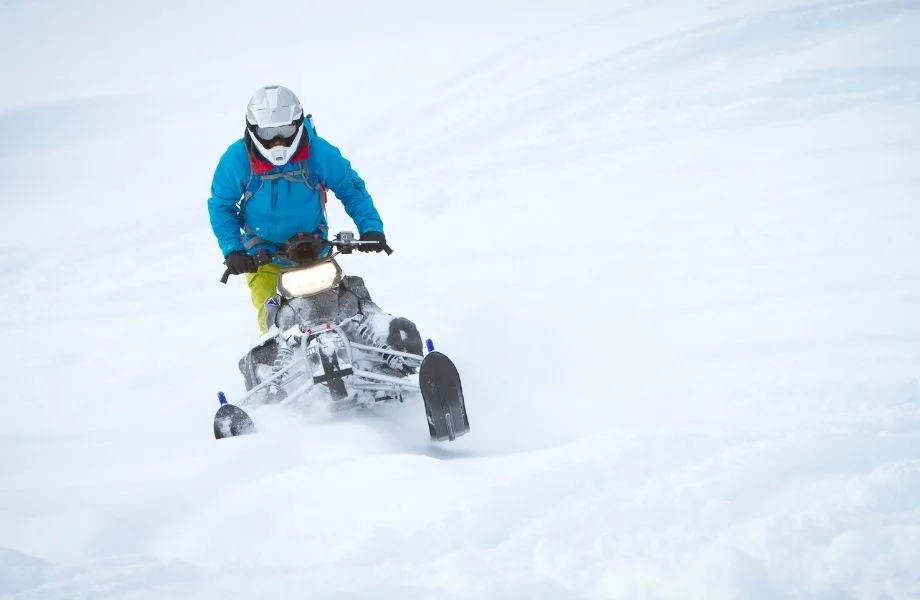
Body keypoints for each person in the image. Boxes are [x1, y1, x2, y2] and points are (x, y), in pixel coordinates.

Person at [207, 84, 388, 334]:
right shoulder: (236, 160)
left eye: (285, 130)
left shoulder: (318, 152)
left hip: (315, 250)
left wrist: (371, 229)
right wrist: (233, 250)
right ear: (253, 130)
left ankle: (378, 343)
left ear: (298, 124)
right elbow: (221, 206)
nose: (278, 141)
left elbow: (351, 187)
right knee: (274, 325)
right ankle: (274, 366)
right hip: (263, 258)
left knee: (348, 308)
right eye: (269, 134)